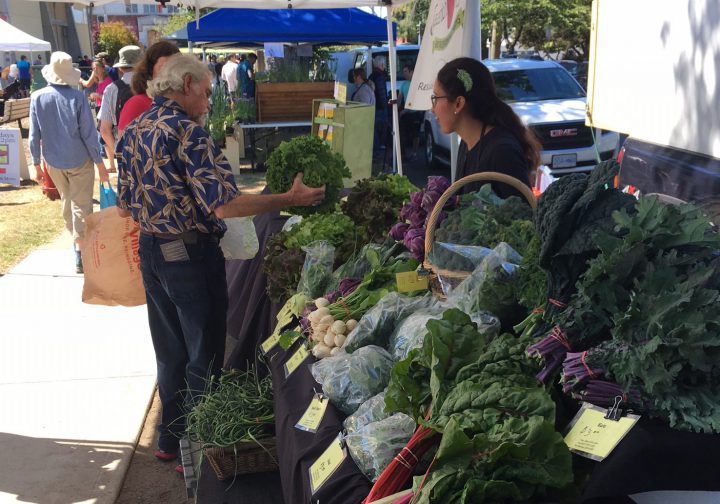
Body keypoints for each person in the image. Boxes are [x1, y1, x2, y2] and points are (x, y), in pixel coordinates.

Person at [116, 54, 325, 467]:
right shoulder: (188, 134)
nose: (209, 101)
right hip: (189, 256)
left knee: (170, 350)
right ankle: (197, 450)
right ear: (188, 83)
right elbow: (225, 206)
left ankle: (169, 440)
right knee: (204, 353)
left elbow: (124, 207)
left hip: (153, 249)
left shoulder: (134, 129)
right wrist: (288, 199)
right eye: (207, 92)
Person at [29, 52, 109, 273]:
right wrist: (100, 164)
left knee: (67, 203)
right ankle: (81, 251)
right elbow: (89, 134)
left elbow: (34, 135)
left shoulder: (37, 97)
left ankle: (77, 245)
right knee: (81, 205)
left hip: (54, 161)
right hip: (79, 159)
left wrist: (36, 165)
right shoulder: (78, 98)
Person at [431, 57, 540, 198]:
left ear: (458, 103)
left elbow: (524, 214)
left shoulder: (502, 152)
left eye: (435, 98)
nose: (433, 109)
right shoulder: (466, 143)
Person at [117, 40, 180, 133]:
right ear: (150, 70)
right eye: (164, 67)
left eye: (175, 67)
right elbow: (124, 143)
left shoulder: (184, 102)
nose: (170, 73)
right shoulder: (137, 104)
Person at [98, 45, 142, 172]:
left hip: (125, 151)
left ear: (121, 68)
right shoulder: (152, 86)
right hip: (153, 151)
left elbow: (104, 130)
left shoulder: (112, 89)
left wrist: (119, 154)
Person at [398, 64, 422, 160]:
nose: (404, 74)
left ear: (412, 72)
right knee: (403, 134)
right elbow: (400, 98)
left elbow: (417, 98)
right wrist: (396, 107)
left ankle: (415, 153)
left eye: (405, 71)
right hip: (406, 114)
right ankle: (403, 155)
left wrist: (406, 110)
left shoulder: (417, 84)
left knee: (415, 134)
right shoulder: (404, 84)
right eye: (403, 72)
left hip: (415, 113)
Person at [369, 55, 389, 156]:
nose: (385, 66)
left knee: (375, 129)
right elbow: (382, 93)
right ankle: (379, 150)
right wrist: (386, 106)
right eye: (384, 64)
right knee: (381, 128)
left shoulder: (371, 75)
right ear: (381, 64)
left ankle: (376, 149)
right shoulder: (380, 76)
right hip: (380, 108)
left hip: (373, 106)